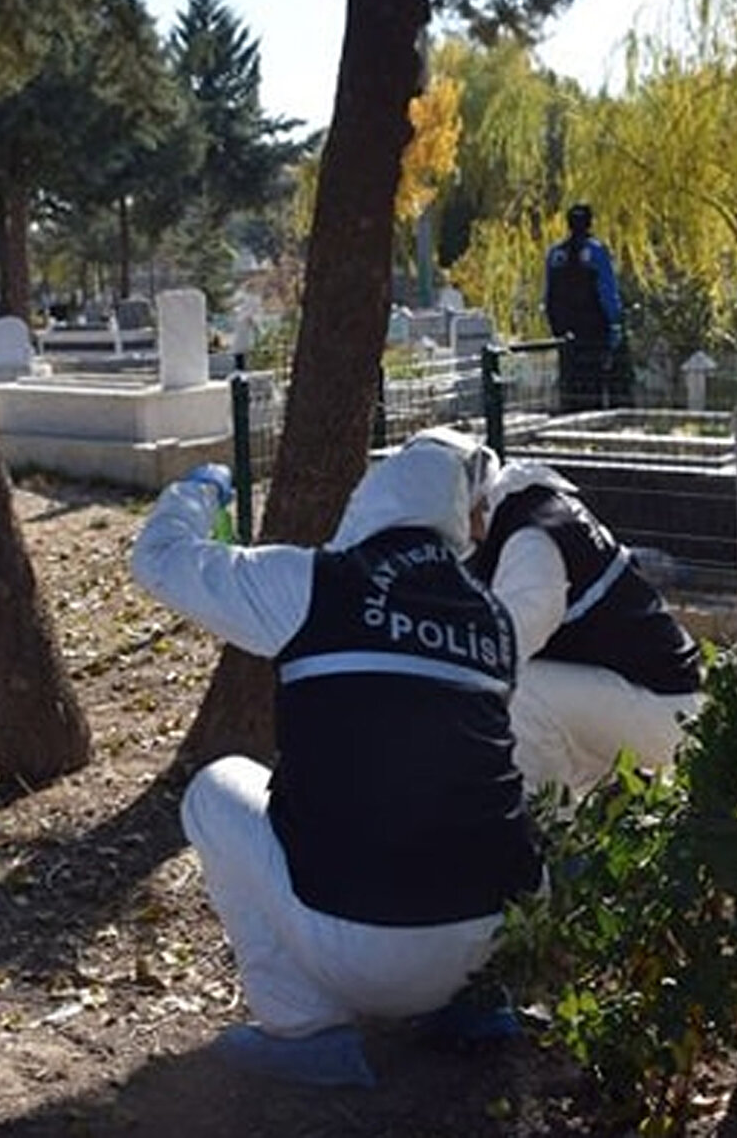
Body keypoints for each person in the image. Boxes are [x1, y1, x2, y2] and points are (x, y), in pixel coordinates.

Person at [130, 444, 543, 1087]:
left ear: (371, 503)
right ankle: (473, 1006)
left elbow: (160, 561)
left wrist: (199, 490)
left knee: (214, 791)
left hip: (365, 954)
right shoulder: (494, 620)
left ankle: (303, 1030)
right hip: (496, 942)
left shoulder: (315, 583)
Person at [468, 456, 704, 799]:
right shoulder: (533, 506)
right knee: (535, 700)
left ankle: (541, 830)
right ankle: (601, 812)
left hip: (667, 710)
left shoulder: (530, 539)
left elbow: (507, 643)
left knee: (517, 697)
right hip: (652, 694)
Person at [543, 202, 625, 412]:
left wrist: (555, 327)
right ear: (589, 223)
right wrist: (615, 323)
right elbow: (607, 291)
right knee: (594, 383)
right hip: (594, 329)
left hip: (565, 332)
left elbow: (548, 295)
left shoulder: (555, 255)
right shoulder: (597, 251)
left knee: (570, 381)